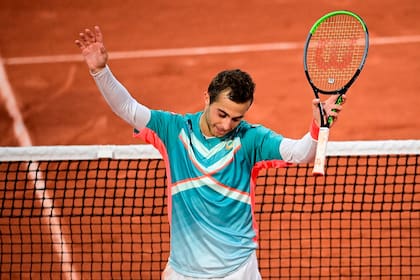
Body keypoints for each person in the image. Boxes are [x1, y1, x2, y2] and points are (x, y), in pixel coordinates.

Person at [75, 26, 344, 280]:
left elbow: (300, 153)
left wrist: (318, 127)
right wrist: (101, 72)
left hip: (239, 271)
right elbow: (129, 109)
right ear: (207, 98)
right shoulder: (173, 130)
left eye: (236, 118)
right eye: (222, 114)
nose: (226, 125)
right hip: (184, 272)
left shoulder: (251, 139)